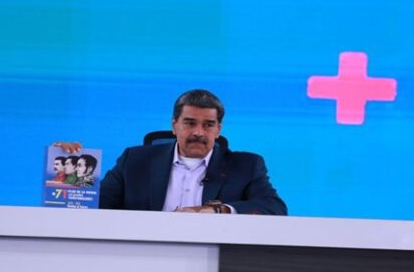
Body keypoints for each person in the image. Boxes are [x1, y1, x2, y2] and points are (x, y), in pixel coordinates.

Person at [97, 89, 286, 215]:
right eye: (190, 123)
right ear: (174, 125)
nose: (198, 132)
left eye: (208, 125)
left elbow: (274, 208)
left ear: (218, 130)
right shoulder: (134, 161)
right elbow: (95, 204)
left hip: (214, 255)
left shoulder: (246, 166)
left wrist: (219, 210)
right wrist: (77, 164)